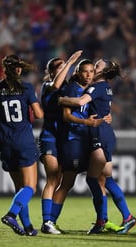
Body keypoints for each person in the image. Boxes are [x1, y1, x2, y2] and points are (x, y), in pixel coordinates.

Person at [59, 59, 136, 234]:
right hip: (106, 132)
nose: (94, 69)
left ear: (102, 72)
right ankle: (126, 217)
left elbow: (80, 102)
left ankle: (102, 220)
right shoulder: (105, 87)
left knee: (92, 179)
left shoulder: (97, 87)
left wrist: (62, 99)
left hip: (99, 134)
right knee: (106, 179)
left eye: (97, 67)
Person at [0, 54, 43, 236]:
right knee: (30, 188)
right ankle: (11, 214)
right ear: (18, 69)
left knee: (19, 188)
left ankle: (27, 227)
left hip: (5, 142)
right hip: (24, 141)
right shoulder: (26, 88)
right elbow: (39, 114)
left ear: (4, 70)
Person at [38, 50, 83, 234]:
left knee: (66, 182)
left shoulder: (68, 88)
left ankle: (52, 220)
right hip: (49, 137)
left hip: (64, 140)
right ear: (51, 72)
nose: (66, 68)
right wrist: (71, 61)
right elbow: (56, 83)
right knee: (52, 179)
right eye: (61, 66)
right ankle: (46, 222)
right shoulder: (48, 86)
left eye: (66, 66)